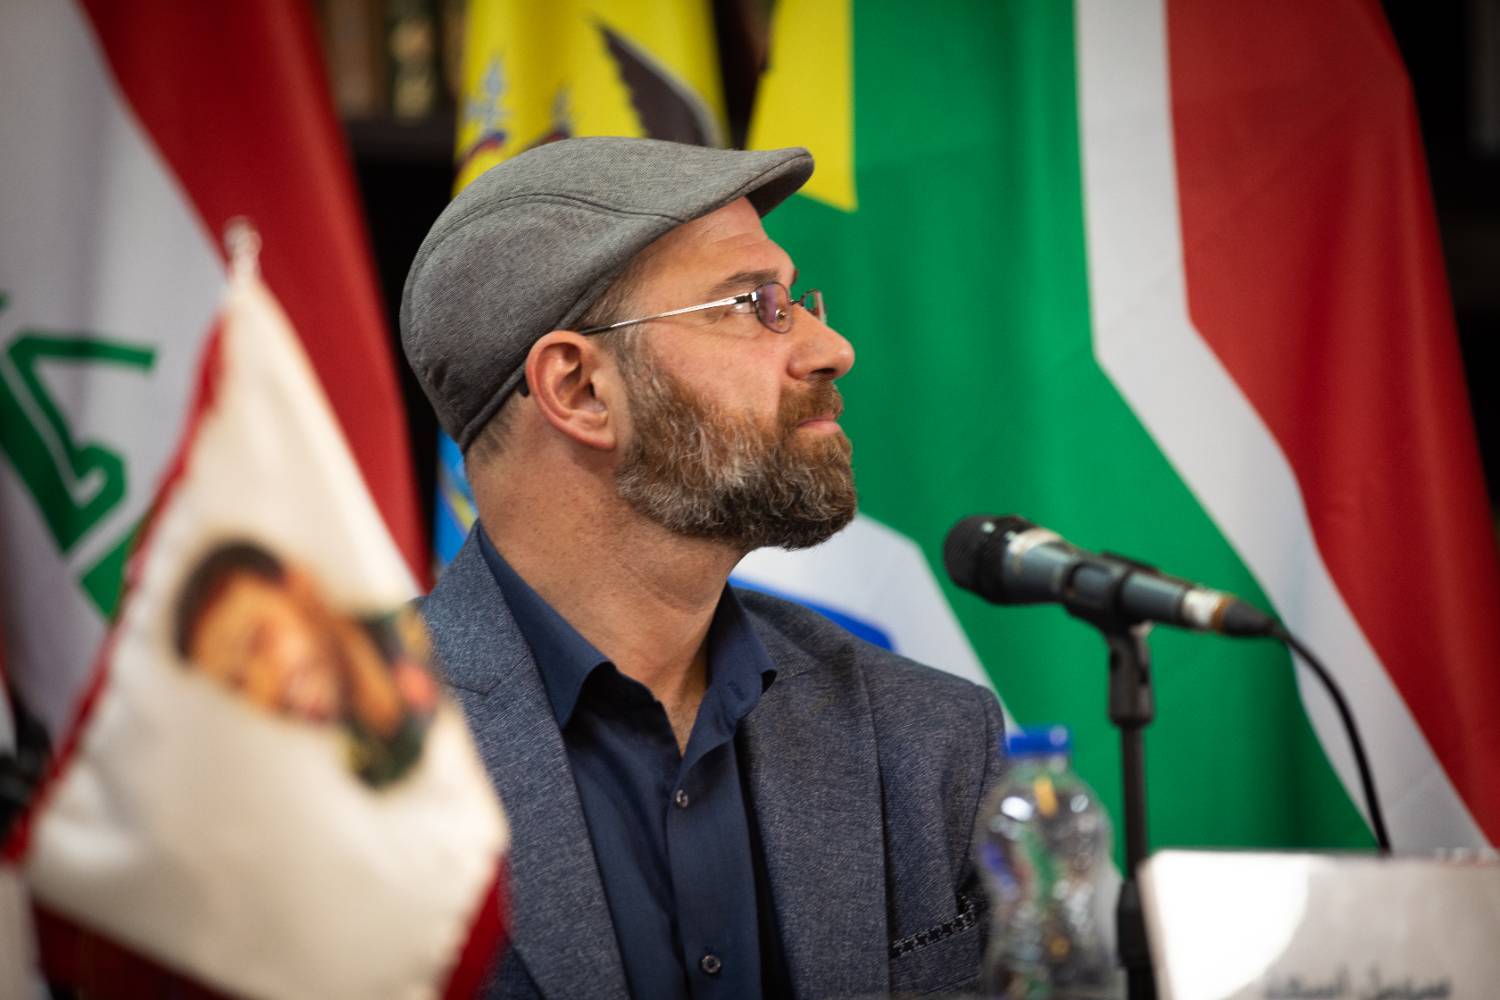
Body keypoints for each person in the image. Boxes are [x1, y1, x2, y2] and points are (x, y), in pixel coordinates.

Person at [402, 138, 1005, 999]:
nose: (831, 348)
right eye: (755, 304)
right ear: (578, 389)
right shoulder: (328, 755)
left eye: (794, 298)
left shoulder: (928, 739)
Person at [173, 540, 438, 788]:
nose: (266, 687)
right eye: (238, 683)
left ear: (301, 587)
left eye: (258, 642)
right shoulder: (367, 772)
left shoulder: (431, 632)